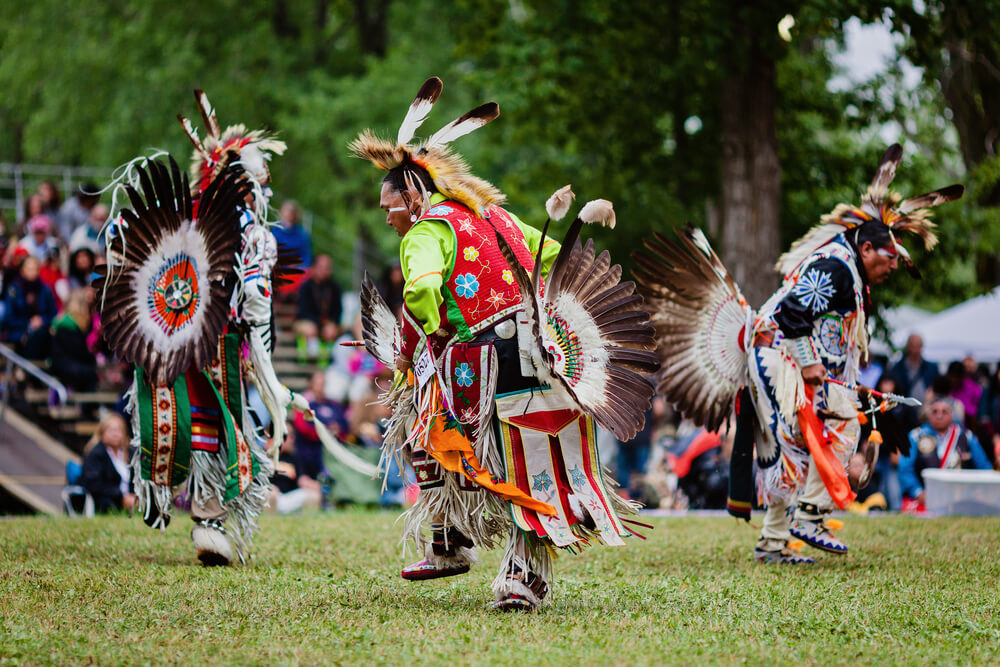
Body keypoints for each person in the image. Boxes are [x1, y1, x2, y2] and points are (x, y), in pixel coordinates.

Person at [352, 77, 655, 610]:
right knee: (532, 459)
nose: (388, 215)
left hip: (482, 363)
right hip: (545, 353)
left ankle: (453, 543)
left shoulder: (426, 231)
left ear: (415, 195)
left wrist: (426, 334)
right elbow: (555, 254)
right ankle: (507, 572)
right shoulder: (497, 217)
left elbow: (420, 293)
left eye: (389, 205)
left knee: (423, 420)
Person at [633, 144, 963, 564]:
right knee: (822, 434)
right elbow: (792, 314)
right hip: (778, 356)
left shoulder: (847, 269)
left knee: (802, 444)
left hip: (780, 357)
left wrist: (842, 380)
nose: (893, 267)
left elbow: (828, 336)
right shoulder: (837, 268)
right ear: (866, 249)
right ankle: (809, 515)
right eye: (889, 259)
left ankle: (774, 542)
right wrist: (810, 364)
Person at [899, 396, 991, 511]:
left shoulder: (966, 437)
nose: (939, 415)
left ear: (952, 414)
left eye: (944, 412)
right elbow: (905, 469)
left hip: (961, 499)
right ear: (928, 415)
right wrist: (918, 492)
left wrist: (981, 490)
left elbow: (984, 467)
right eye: (935, 411)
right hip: (926, 498)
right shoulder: (916, 436)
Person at [80, 413, 137, 513]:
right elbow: (94, 484)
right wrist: (121, 497)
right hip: (105, 501)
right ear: (102, 433)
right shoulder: (95, 454)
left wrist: (133, 497)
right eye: (111, 430)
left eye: (118, 430)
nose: (115, 434)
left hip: (129, 501)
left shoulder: (129, 453)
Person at [2, 255, 56, 358]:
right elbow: (8, 318)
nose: (33, 272)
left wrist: (42, 320)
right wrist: (29, 323)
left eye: (35, 269)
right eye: (30, 269)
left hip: (42, 331)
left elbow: (53, 314)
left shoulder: (45, 290)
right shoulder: (14, 290)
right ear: (22, 270)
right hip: (19, 332)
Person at [293, 254, 342, 362]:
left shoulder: (334, 288)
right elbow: (303, 312)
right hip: (308, 323)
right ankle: (305, 354)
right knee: (309, 328)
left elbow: (337, 311)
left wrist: (332, 323)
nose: (324, 271)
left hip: (326, 325)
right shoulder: (305, 287)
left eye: (327, 268)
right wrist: (318, 323)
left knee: (331, 330)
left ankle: (324, 357)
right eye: (321, 267)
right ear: (314, 268)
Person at [49, 288, 99, 392]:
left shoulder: (65, 323)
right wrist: (93, 359)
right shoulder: (68, 325)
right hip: (65, 367)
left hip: (66, 365)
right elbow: (77, 350)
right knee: (92, 375)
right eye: (87, 307)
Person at [888, 334, 938, 431]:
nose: (915, 349)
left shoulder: (931, 367)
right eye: (912, 345)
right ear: (908, 347)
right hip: (904, 413)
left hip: (925, 411)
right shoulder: (898, 368)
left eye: (918, 345)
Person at [271, 199, 312, 271]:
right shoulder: (274, 232)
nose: (287, 215)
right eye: (285, 211)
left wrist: (298, 266)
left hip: (297, 272)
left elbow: (306, 258)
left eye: (290, 212)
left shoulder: (302, 235)